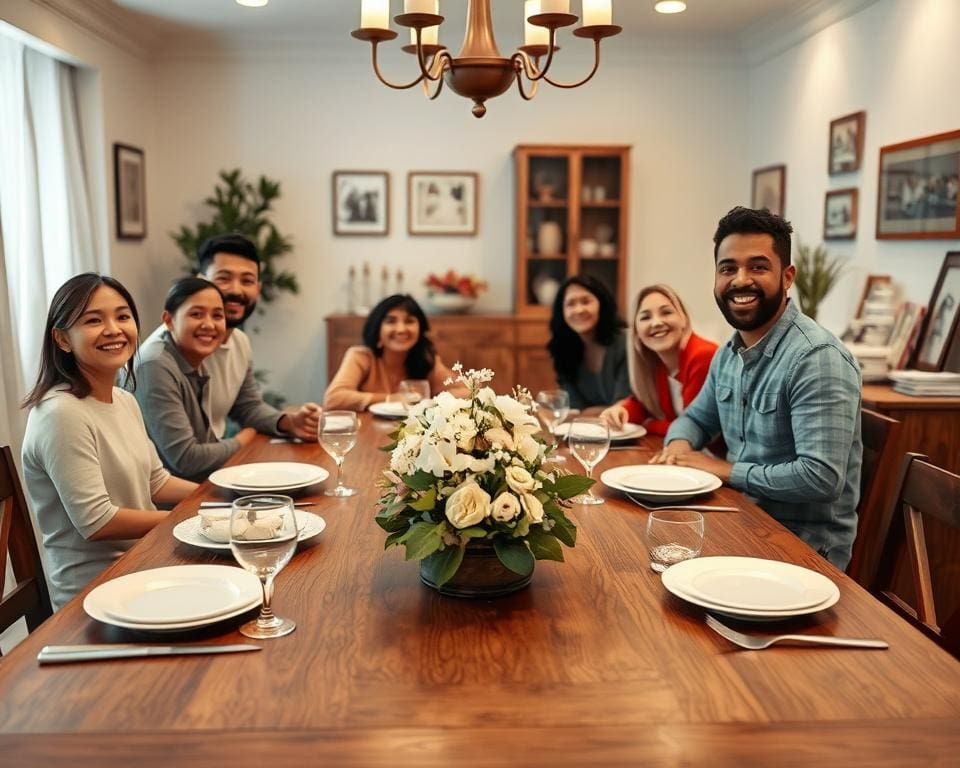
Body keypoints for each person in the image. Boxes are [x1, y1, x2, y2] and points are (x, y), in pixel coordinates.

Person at [651, 207, 862, 569]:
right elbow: (696, 419)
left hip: (801, 552)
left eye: (758, 267)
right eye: (728, 268)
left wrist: (726, 470)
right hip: (740, 522)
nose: (740, 280)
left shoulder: (817, 358)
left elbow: (820, 477)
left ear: (787, 276)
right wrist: (680, 445)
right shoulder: (729, 353)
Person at [21, 274, 197, 609]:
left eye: (122, 316)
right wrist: (191, 519)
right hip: (94, 595)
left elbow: (156, 483)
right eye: (93, 320)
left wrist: (220, 497)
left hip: (145, 565)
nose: (114, 329)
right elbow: (97, 521)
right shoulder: (60, 413)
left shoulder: (123, 399)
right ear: (62, 339)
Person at [139, 233, 320, 442]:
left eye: (247, 281)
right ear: (200, 281)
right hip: (178, 472)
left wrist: (289, 422)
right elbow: (181, 459)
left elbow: (248, 407)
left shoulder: (240, 341)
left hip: (216, 461)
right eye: (223, 278)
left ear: (258, 289)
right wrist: (245, 438)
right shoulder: (160, 358)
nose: (236, 290)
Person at [133, 277, 257, 482]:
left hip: (201, 484)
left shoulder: (194, 354)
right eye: (196, 314)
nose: (209, 324)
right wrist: (242, 441)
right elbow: (186, 459)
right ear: (168, 320)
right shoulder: (154, 364)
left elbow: (248, 405)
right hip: (166, 501)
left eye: (218, 315)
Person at [600, 284, 717, 436]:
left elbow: (691, 429)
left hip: (714, 457)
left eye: (666, 312)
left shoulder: (702, 356)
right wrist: (620, 410)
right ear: (637, 332)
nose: (656, 323)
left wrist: (648, 424)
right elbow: (644, 407)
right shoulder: (659, 364)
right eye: (645, 317)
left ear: (684, 319)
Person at [324, 294, 460, 411]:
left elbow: (464, 392)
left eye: (409, 321)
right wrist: (391, 399)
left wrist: (429, 402)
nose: (401, 329)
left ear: (420, 329)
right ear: (377, 329)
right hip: (366, 433)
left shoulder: (426, 359)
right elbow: (334, 398)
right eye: (391, 321)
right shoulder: (361, 356)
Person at [547, 275, 630, 411]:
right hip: (586, 429)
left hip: (628, 428)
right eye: (571, 304)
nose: (579, 310)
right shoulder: (562, 349)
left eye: (586, 301)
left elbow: (623, 406)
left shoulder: (625, 343)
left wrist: (591, 411)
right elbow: (574, 408)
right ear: (561, 312)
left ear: (601, 304)